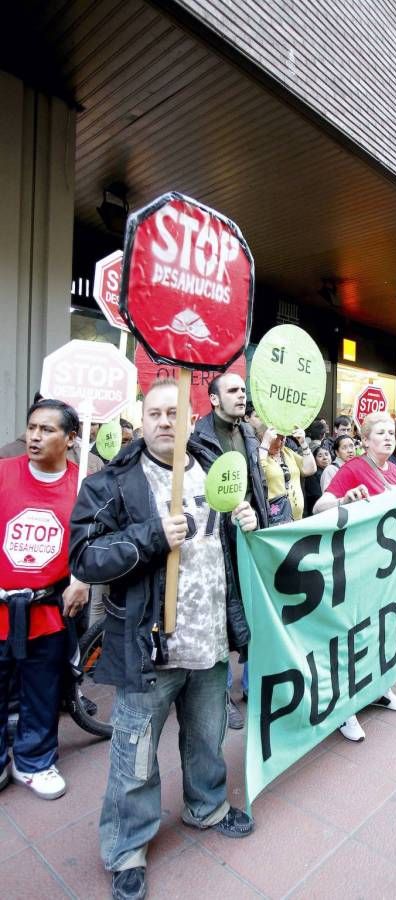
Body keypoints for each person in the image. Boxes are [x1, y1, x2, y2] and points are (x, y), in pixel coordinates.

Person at [69, 379, 257, 900]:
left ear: (191, 413)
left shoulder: (216, 463)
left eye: (174, 412)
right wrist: (150, 537)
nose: (164, 421)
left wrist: (245, 519)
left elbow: (239, 529)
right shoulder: (112, 482)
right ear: (142, 419)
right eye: (154, 413)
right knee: (134, 756)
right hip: (151, 647)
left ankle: (207, 806)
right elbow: (84, 557)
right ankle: (127, 849)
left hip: (210, 639)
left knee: (207, 738)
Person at [313, 411, 396, 742]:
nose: (388, 437)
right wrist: (345, 500)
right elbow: (320, 506)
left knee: (383, 633)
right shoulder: (353, 469)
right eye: (380, 433)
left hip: (388, 573)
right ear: (366, 439)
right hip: (358, 571)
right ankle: (346, 710)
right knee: (356, 637)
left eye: (391, 432)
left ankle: (381, 689)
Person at [0, 399, 89, 800]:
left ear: (71, 439)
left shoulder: (84, 484)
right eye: (32, 427)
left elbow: (96, 544)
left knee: (42, 689)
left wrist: (83, 578)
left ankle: (33, 760)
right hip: (2, 607)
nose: (35, 437)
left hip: (48, 610)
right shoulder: (4, 473)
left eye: (47, 430)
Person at [193, 373, 269, 728]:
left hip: (251, 536)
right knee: (221, 618)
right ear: (213, 399)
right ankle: (220, 697)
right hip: (215, 542)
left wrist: (261, 521)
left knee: (255, 611)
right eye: (233, 390)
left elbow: (257, 486)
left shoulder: (248, 433)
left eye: (243, 390)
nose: (242, 395)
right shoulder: (199, 440)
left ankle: (254, 687)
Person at [258, 425, 317, 520]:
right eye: (278, 437)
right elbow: (257, 475)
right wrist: (265, 444)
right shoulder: (260, 455)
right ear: (265, 436)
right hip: (276, 519)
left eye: (284, 437)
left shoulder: (287, 452)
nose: (282, 442)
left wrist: (303, 443)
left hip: (297, 518)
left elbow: (310, 469)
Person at [303, 445, 331, 516]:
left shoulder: (332, 470)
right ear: (314, 460)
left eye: (327, 454)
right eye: (320, 456)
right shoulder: (312, 476)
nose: (325, 458)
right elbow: (317, 497)